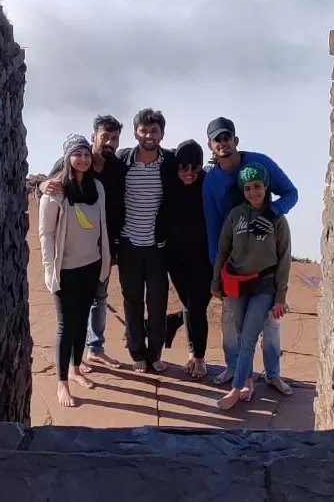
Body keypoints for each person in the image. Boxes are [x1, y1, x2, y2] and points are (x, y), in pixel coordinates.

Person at [202, 116, 298, 395]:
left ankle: (272, 373)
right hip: (233, 265)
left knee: (270, 320)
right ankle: (235, 369)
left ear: (235, 139)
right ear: (211, 145)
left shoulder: (259, 163)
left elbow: (291, 193)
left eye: (227, 137)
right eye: (217, 139)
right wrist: (216, 273)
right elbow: (213, 227)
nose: (223, 143)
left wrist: (272, 212)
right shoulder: (211, 181)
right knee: (231, 321)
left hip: (265, 264)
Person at [38, 115, 125, 371]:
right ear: (94, 137)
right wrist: (41, 185)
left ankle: (93, 350)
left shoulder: (114, 168)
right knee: (71, 315)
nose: (109, 142)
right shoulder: (64, 167)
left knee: (99, 298)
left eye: (114, 138)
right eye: (105, 137)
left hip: (101, 249)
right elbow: (47, 200)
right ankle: (70, 369)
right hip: (68, 258)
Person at [211, 162, 291, 411]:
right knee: (237, 329)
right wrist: (216, 283)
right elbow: (222, 251)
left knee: (248, 337)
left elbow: (284, 259)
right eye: (247, 188)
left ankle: (236, 389)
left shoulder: (277, 219)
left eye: (257, 186)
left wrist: (280, 297)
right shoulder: (235, 216)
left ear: (266, 188)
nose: (253, 192)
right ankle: (247, 380)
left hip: (264, 284)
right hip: (236, 283)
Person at [39, 134, 111, 407]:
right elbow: (45, 233)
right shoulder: (55, 191)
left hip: (90, 265)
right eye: (77, 154)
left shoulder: (97, 188)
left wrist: (104, 261)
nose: (82, 159)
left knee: (81, 320)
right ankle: (62, 384)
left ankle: (76, 368)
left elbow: (102, 225)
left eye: (85, 154)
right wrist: (49, 269)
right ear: (68, 157)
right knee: (65, 325)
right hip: (65, 269)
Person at [116, 108, 176, 373]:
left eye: (154, 130)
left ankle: (155, 354)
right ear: (135, 132)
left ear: (161, 133)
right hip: (128, 243)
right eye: (144, 130)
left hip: (157, 246)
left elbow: (196, 172)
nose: (149, 135)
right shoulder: (123, 160)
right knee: (132, 302)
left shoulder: (170, 162)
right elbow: (91, 165)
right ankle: (138, 353)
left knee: (157, 301)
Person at [166, 140, 212, 378]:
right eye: (184, 168)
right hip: (176, 259)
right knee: (190, 306)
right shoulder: (169, 180)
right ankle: (193, 352)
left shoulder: (208, 182)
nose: (189, 174)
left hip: (204, 259)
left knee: (196, 306)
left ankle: (200, 358)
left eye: (195, 168)